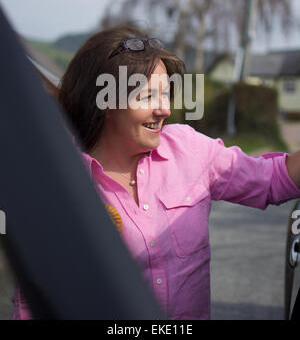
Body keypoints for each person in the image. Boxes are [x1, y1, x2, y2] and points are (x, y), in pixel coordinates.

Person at [11, 25, 300, 320]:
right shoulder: (63, 185)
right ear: (105, 103)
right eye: (148, 97)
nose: (164, 109)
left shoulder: (189, 150)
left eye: (165, 94)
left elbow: (273, 179)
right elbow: (35, 303)